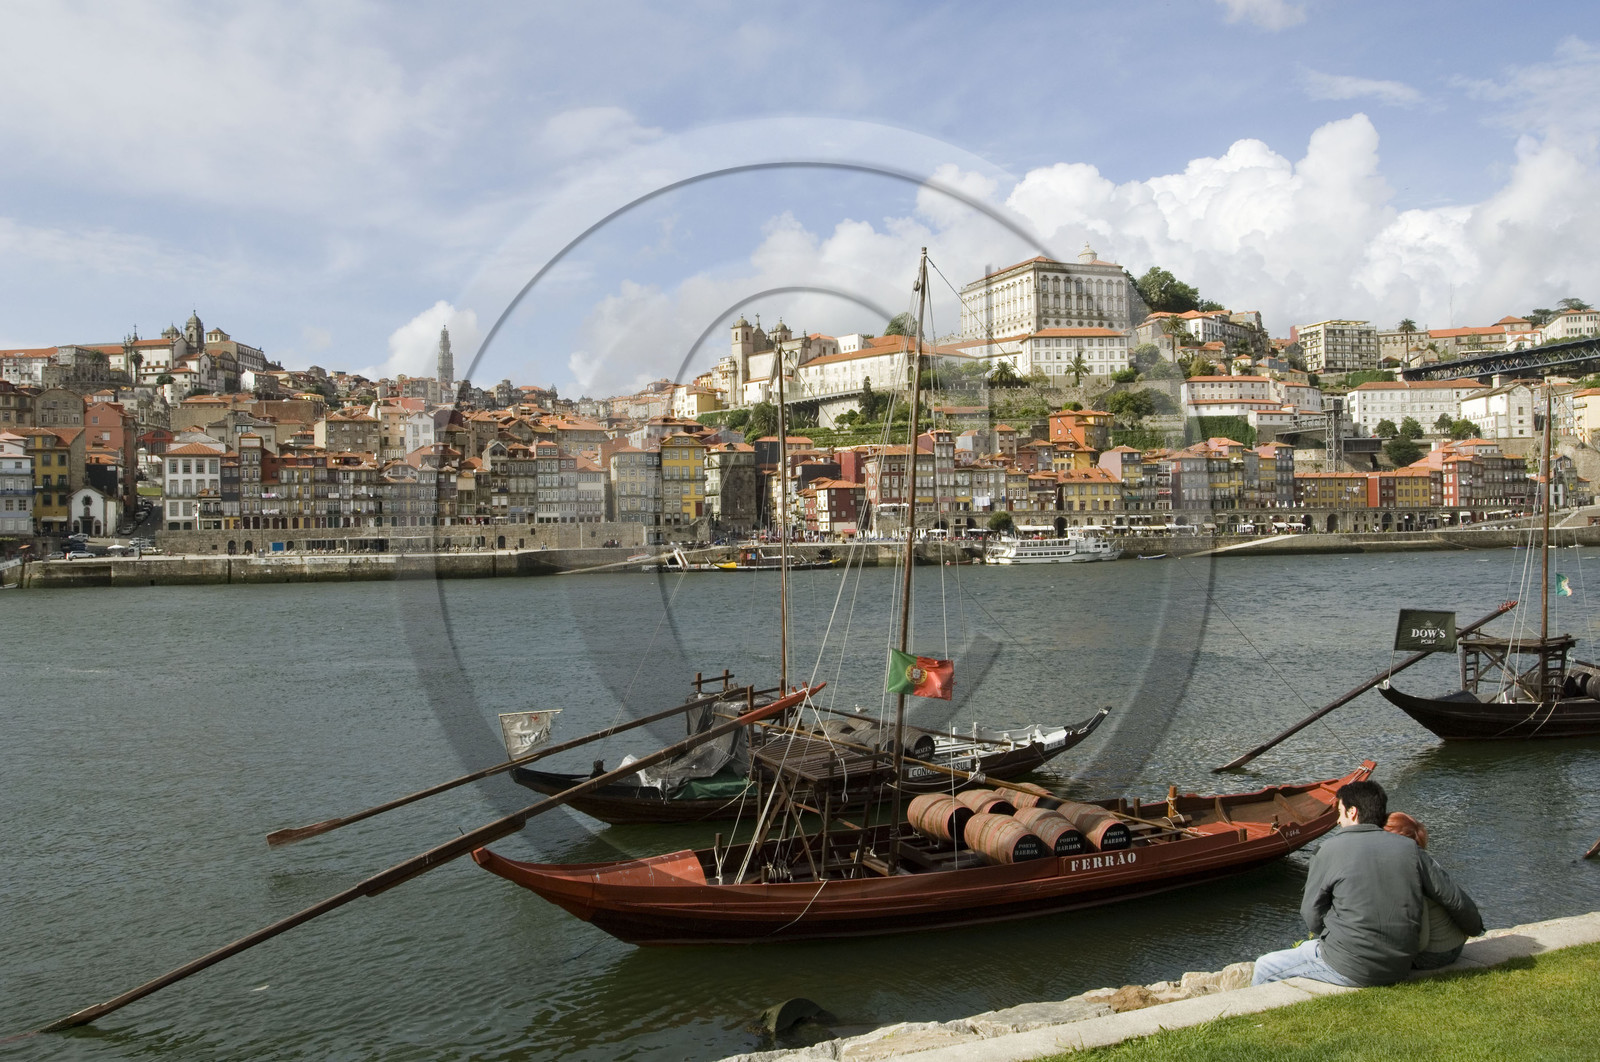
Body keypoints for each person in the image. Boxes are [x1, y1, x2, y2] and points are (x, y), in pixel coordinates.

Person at [1252, 780, 1482, 987]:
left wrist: (1334, 936)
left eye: (1340, 812)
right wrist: (1474, 930)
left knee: (1265, 966)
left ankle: (1256, 1028)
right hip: (1400, 963)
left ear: (1352, 812)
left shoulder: (1329, 849)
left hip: (1350, 965)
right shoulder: (1409, 849)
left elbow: (1311, 914)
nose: (1338, 820)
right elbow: (1453, 897)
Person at [1384, 811, 1473, 969]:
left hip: (1437, 952)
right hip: (1453, 943)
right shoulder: (1425, 862)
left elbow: (1421, 940)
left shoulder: (1409, 872)